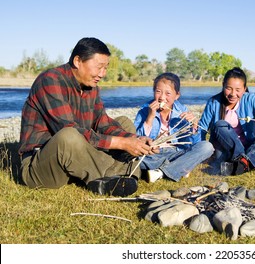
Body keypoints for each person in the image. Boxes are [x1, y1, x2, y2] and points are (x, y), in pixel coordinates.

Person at [18, 37, 157, 196]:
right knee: (68, 135)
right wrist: (122, 143)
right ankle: (117, 174)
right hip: (40, 165)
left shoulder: (91, 88)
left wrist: (135, 140)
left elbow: (103, 124)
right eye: (99, 67)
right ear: (78, 61)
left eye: (106, 68)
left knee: (123, 122)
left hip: (74, 160)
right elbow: (68, 129)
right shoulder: (50, 80)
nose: (103, 74)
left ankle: (120, 174)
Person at [198, 67, 255, 175]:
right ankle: (254, 161)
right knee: (220, 125)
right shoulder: (213, 102)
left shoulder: (250, 99)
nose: (233, 94)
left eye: (238, 90)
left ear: (244, 89)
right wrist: (200, 154)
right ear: (223, 85)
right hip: (223, 151)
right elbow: (201, 129)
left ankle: (242, 164)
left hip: (247, 146)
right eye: (229, 88)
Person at [134, 72, 214, 183]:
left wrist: (194, 127)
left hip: (175, 153)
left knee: (207, 147)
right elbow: (137, 139)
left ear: (177, 95)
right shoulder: (145, 110)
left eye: (168, 93)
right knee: (131, 156)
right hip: (152, 155)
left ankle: (160, 172)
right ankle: (180, 167)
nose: (162, 97)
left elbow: (192, 144)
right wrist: (150, 117)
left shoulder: (182, 111)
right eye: (158, 92)